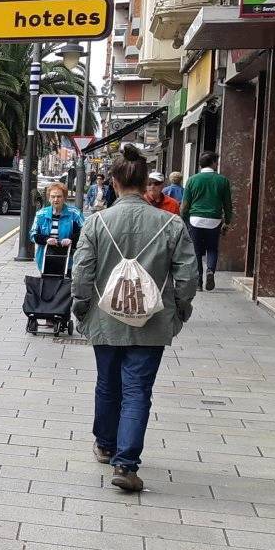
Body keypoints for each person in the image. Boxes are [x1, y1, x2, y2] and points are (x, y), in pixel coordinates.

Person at [71, 145, 197, 492]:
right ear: (146, 184)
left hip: (104, 317)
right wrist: (179, 312)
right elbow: (187, 277)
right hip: (152, 322)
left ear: (113, 182)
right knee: (138, 390)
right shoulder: (171, 224)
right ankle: (126, 465)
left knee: (107, 384)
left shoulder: (97, 223)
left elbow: (82, 273)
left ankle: (105, 444)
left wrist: (82, 308)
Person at [29, 183, 83, 332]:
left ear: (64, 197)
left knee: (65, 286)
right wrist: (46, 239)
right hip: (46, 257)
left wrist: (71, 239)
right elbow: (33, 234)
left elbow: (85, 232)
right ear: (49, 197)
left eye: (59, 196)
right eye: (53, 196)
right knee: (47, 284)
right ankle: (49, 315)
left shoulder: (74, 213)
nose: (56, 199)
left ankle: (62, 315)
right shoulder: (41, 214)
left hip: (68, 257)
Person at [181, 152, 234, 290]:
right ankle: (210, 270)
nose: (217, 164)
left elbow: (185, 204)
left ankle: (198, 283)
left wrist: (184, 218)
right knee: (212, 248)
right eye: (216, 161)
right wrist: (227, 221)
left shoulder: (192, 180)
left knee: (197, 251)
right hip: (214, 220)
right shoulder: (223, 180)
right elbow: (228, 204)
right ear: (213, 163)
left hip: (195, 220)